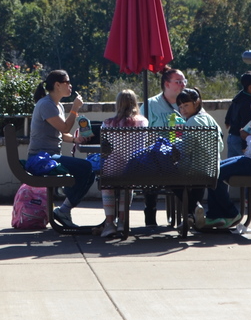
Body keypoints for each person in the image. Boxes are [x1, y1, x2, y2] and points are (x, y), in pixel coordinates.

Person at [197, 90, 251, 228]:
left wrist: (248, 137)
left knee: (217, 173)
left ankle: (230, 213)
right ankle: (215, 214)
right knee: (214, 169)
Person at [28, 70, 95, 228]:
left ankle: (64, 208)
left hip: (50, 157)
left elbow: (61, 133)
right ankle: (64, 209)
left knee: (90, 169)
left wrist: (74, 139)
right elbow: (65, 126)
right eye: (67, 82)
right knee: (86, 167)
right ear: (57, 85)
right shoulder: (46, 104)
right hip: (41, 159)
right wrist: (75, 109)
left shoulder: (56, 106)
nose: (71, 86)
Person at [98, 89, 148, 238]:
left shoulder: (107, 124)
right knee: (128, 186)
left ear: (118, 104)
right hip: (135, 168)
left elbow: (105, 148)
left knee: (107, 185)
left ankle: (109, 223)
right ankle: (122, 221)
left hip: (115, 167)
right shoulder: (143, 121)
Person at [144, 67, 188, 225]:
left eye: (184, 81)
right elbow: (142, 131)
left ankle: (187, 213)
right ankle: (151, 212)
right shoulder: (151, 105)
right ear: (166, 84)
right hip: (157, 156)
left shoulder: (190, 102)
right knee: (153, 168)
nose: (183, 85)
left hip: (183, 155)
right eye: (178, 82)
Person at [177, 87, 224, 215]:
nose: (183, 110)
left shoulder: (191, 122)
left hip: (194, 170)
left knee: (169, 178)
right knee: (197, 179)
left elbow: (185, 150)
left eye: (186, 105)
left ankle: (192, 209)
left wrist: (176, 143)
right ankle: (193, 214)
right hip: (212, 168)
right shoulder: (208, 118)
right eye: (180, 107)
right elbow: (221, 145)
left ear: (196, 103)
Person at [225, 72, 251, 157]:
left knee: (231, 167)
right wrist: (244, 145)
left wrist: (227, 121)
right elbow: (246, 123)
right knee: (247, 164)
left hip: (231, 138)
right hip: (240, 140)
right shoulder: (249, 103)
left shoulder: (238, 97)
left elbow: (231, 108)